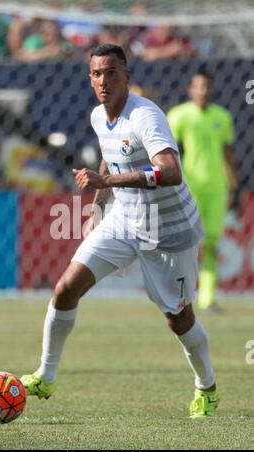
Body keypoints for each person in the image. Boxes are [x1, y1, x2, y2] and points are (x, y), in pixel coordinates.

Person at [21, 44, 220, 418]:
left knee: (179, 319)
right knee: (65, 290)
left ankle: (206, 386)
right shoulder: (99, 116)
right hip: (124, 219)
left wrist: (107, 179)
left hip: (169, 231)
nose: (103, 81)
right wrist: (98, 204)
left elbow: (171, 171)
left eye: (111, 73)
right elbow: (109, 153)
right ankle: (46, 375)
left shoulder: (146, 117)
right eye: (96, 74)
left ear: (127, 77)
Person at [167, 71, 239, 312]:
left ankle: (207, 298)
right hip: (190, 188)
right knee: (186, 244)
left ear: (212, 89)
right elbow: (171, 154)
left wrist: (235, 187)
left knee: (211, 244)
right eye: (199, 87)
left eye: (207, 87)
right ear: (191, 89)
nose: (203, 91)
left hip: (217, 188)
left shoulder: (223, 117)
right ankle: (180, 294)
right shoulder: (179, 116)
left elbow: (228, 153)